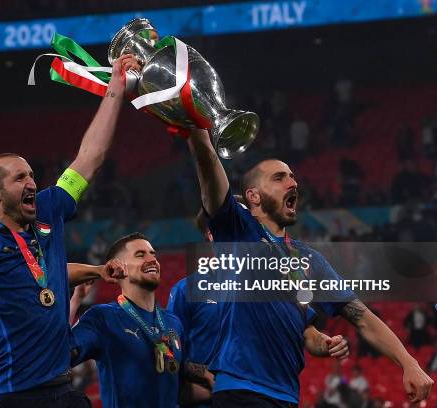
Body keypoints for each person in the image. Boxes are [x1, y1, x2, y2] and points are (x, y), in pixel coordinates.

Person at [0, 54, 140, 408]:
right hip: (10, 396)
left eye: (32, 174)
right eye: (20, 177)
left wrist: (115, 86)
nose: (32, 181)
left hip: (62, 390)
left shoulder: (49, 210)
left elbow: (90, 155)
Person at [184, 128, 433, 406]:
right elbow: (211, 179)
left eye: (292, 176)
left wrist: (408, 362)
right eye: (279, 178)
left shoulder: (308, 259)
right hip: (241, 390)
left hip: (286, 394)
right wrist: (199, 136)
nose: (292, 183)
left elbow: (359, 317)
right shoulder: (240, 232)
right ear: (253, 196)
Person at [167, 210, 350, 408]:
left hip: (264, 396)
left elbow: (307, 332)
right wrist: (208, 378)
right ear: (212, 234)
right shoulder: (186, 290)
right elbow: (171, 355)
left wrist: (324, 342)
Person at [70, 233, 211, 408]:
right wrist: (76, 300)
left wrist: (223, 389)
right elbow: (60, 354)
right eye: (140, 255)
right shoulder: (103, 318)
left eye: (153, 254)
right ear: (119, 267)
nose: (152, 259)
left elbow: (178, 388)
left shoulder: (173, 322)